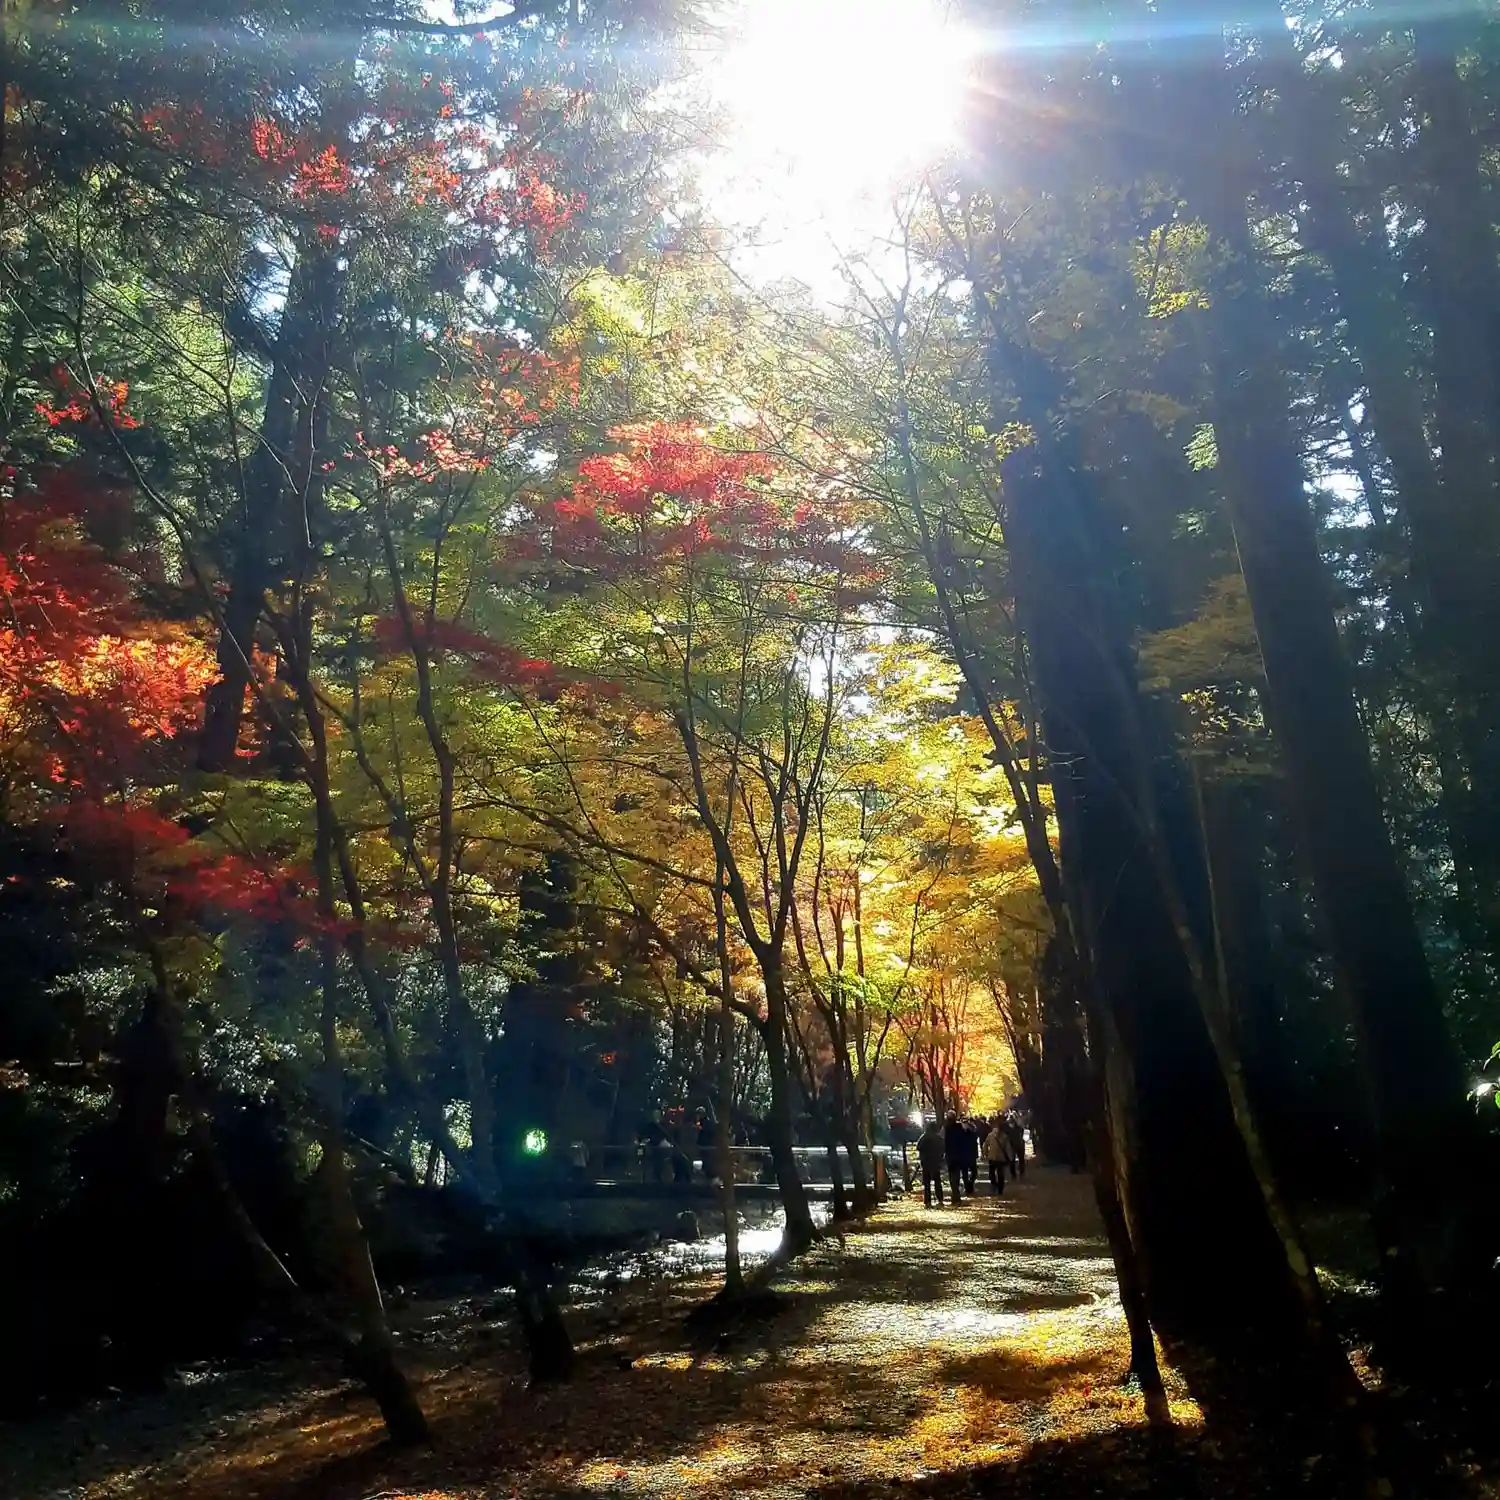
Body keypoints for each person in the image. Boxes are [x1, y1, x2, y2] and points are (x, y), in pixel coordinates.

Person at [916, 1118, 946, 1207]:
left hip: (926, 1162)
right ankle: (940, 1199)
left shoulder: (924, 1137)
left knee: (927, 1183)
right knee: (937, 1182)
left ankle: (927, 1201)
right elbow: (943, 1149)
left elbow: (918, 1147)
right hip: (935, 1162)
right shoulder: (938, 1138)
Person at [943, 1110, 967, 1202]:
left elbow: (943, 1140)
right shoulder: (960, 1126)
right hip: (959, 1154)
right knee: (956, 1174)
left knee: (952, 1174)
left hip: (950, 1154)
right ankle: (956, 1194)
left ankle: (955, 1193)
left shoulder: (946, 1128)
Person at [983, 1118, 1010, 1195]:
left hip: (992, 1157)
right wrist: (1010, 1157)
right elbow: (1007, 1148)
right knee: (1000, 1174)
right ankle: (1000, 1189)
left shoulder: (990, 1135)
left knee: (992, 1172)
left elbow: (985, 1145)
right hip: (1001, 1158)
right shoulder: (1004, 1136)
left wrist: (985, 1154)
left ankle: (994, 1185)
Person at [961, 1118, 980, 1195]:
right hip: (969, 1155)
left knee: (967, 1172)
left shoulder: (968, 1133)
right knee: (971, 1172)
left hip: (965, 1155)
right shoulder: (972, 1133)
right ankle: (969, 1185)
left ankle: (968, 1185)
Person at [1005, 1111, 1026, 1179]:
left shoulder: (1008, 1128)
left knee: (1013, 1160)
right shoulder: (1019, 1127)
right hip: (1018, 1144)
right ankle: (1020, 1173)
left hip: (1013, 1145)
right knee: (1019, 1160)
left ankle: (1014, 1174)